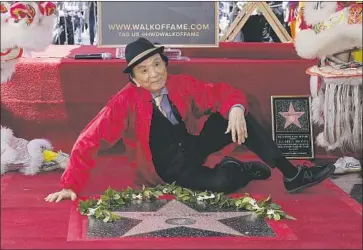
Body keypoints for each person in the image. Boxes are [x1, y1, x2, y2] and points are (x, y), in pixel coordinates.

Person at [45, 38, 335, 203]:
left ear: (165, 64)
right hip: (171, 170)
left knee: (239, 114)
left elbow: (222, 93)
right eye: (143, 71)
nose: (154, 74)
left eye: (157, 65)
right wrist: (71, 184)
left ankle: (292, 174)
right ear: (133, 78)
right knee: (222, 181)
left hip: (195, 146)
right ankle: (240, 170)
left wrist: (234, 107)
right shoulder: (123, 103)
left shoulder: (181, 86)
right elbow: (90, 138)